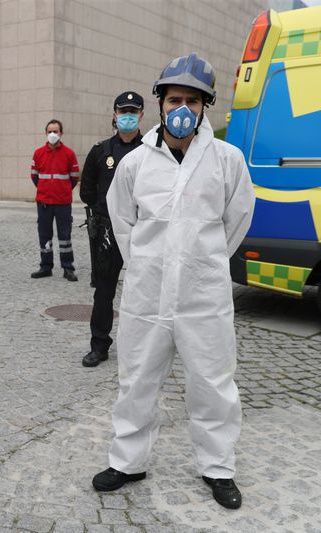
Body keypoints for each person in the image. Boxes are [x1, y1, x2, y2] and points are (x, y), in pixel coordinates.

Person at [92, 53, 255, 510]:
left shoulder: (227, 160)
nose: (182, 108)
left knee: (213, 383)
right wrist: (149, 262)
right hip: (147, 293)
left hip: (204, 297)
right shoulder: (136, 163)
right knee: (137, 378)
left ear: (206, 107)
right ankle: (128, 460)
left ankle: (218, 467)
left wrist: (202, 262)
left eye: (193, 100)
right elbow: (122, 219)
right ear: (160, 102)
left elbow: (238, 218)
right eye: (175, 98)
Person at [79, 92, 145, 367]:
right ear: (115, 114)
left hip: (143, 230)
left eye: (133, 111)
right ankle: (99, 344)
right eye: (123, 111)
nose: (127, 116)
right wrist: (105, 213)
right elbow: (86, 191)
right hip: (108, 232)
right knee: (104, 290)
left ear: (141, 115)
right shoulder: (101, 151)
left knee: (145, 290)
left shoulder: (153, 150)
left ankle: (143, 347)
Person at [30, 119, 80, 281]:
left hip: (63, 202)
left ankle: (68, 268)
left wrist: (62, 190)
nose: (53, 134)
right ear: (46, 133)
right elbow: (34, 176)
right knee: (44, 235)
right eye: (50, 131)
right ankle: (45, 267)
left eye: (56, 131)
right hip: (44, 202)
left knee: (65, 236)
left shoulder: (69, 154)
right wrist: (45, 190)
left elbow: (74, 178)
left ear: (61, 133)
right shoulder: (38, 153)